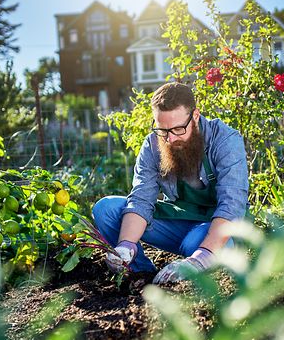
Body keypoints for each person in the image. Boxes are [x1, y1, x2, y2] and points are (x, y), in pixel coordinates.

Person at [92, 82, 249, 285]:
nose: (170, 138)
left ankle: (199, 262)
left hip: (215, 228)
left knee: (198, 244)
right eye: (162, 130)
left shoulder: (225, 140)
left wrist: (200, 258)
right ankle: (142, 275)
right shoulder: (153, 145)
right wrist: (126, 244)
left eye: (178, 129)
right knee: (107, 209)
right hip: (179, 222)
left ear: (195, 116)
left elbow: (232, 205)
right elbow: (141, 199)